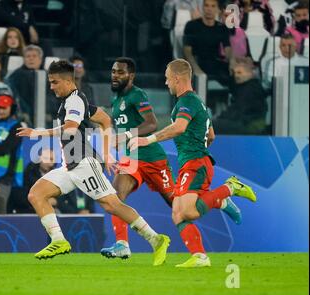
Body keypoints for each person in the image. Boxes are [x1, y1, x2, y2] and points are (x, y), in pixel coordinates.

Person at [16, 60, 170, 265]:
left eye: (54, 82)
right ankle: (59, 240)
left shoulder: (75, 101)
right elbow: (105, 119)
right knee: (36, 194)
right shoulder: (75, 100)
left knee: (112, 204)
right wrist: (106, 154)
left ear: (68, 81)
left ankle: (156, 238)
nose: (51, 87)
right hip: (69, 166)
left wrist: (37, 132)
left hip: (84, 164)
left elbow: (70, 128)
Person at [128, 59, 257, 268]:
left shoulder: (187, 101)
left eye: (168, 78)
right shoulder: (198, 103)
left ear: (177, 78)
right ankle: (200, 256)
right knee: (178, 212)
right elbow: (211, 135)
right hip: (192, 161)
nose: (166, 83)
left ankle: (229, 188)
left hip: (196, 162)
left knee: (187, 211)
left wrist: (148, 139)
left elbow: (179, 128)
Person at [98, 57, 175, 259]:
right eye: (113, 71)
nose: (115, 75)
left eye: (120, 72)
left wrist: (125, 135)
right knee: (114, 198)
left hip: (152, 158)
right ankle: (122, 244)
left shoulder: (137, 95)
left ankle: (221, 197)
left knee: (178, 205)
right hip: (131, 158)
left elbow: (152, 123)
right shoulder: (116, 101)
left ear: (131, 76)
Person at [183, 0, 233, 85]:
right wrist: (195, 68)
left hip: (214, 63)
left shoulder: (222, 28)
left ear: (218, 10)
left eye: (213, 6)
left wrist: (232, 62)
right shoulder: (191, 25)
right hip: (197, 61)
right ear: (203, 7)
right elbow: (187, 51)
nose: (209, 9)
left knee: (236, 73)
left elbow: (228, 49)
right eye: (206, 6)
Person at [214, 59, 268, 135]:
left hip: (249, 124)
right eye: (235, 73)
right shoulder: (244, 87)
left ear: (250, 74)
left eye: (239, 72)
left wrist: (221, 118)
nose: (236, 75)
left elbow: (240, 110)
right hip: (244, 121)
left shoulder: (251, 89)